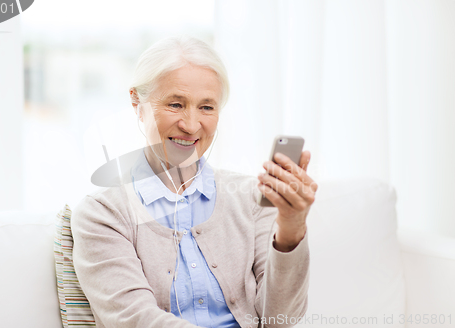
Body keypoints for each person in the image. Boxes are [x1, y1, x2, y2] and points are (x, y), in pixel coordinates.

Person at [71, 35, 317, 328]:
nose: (190, 125)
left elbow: (282, 319)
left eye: (207, 107)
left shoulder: (253, 198)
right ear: (137, 103)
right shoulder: (102, 214)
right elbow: (134, 320)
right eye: (175, 104)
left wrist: (291, 229)